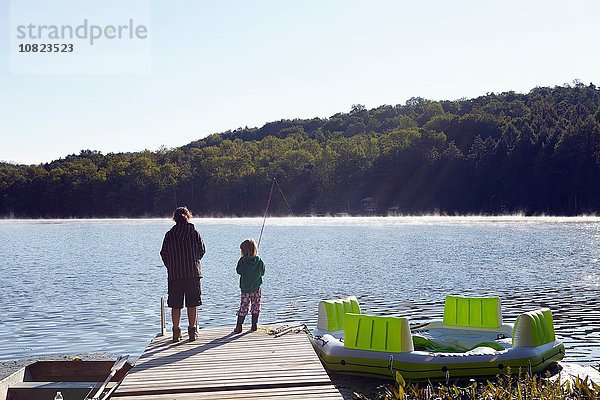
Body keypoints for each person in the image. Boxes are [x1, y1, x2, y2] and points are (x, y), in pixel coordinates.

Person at [160, 206, 206, 342]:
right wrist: (194, 261)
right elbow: (202, 250)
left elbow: (163, 253)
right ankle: (192, 332)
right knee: (192, 303)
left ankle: (176, 331)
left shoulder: (169, 235)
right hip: (192, 273)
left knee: (176, 304)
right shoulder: (194, 233)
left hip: (175, 275)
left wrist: (171, 266)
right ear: (188, 216)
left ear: (175, 218)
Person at [233, 238, 265, 333]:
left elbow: (238, 271)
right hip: (256, 289)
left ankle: (239, 327)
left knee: (244, 307)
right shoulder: (259, 261)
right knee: (256, 306)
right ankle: (254, 325)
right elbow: (262, 272)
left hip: (245, 289)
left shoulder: (242, 261)